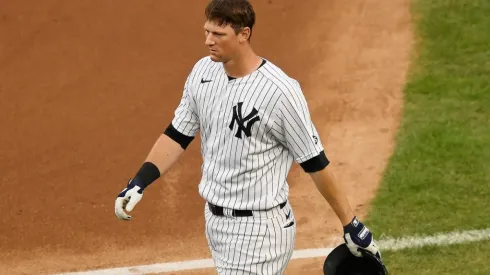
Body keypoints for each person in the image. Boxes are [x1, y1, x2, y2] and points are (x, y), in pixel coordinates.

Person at [114, 0, 381, 274]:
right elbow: (177, 134)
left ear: (244, 34)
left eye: (218, 34)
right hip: (216, 224)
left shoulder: (280, 92)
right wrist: (138, 182)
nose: (208, 41)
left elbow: (315, 162)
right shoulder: (203, 73)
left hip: (259, 231)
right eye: (207, 32)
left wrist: (350, 223)